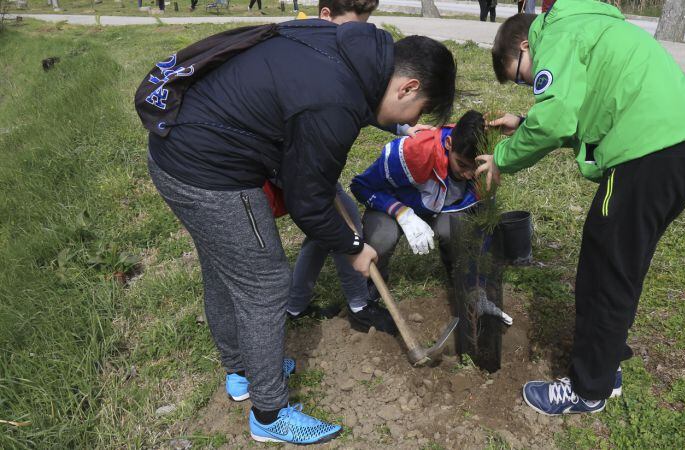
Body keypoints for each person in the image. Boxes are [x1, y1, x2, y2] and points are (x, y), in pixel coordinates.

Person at [144, 19, 456, 443]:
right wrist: (354, 246)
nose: (413, 121)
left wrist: (401, 126)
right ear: (407, 87)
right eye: (418, 112)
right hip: (209, 168)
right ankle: (269, 416)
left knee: (225, 268)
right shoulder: (332, 104)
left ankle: (243, 373)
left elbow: (333, 115)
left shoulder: (354, 47)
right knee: (265, 284)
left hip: (179, 140)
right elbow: (309, 204)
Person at [477, 1, 685, 416]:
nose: (527, 85)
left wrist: (503, 159)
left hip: (645, 151)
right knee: (621, 263)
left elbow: (555, 120)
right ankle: (606, 364)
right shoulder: (586, 25)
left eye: (520, 77)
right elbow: (587, 107)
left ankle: (587, 390)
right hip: (683, 144)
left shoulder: (556, 35)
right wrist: (524, 118)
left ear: (524, 46)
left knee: (603, 270)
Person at [286, 0, 433, 333]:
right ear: (326, 17)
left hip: (304, 159)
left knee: (324, 234)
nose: (362, 33)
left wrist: (404, 127)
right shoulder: (316, 57)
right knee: (347, 226)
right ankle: (359, 306)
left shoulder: (338, 57)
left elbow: (365, 101)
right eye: (356, 23)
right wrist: (353, 246)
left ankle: (295, 305)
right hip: (290, 160)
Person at [351, 110, 514, 329]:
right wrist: (402, 212)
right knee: (382, 237)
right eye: (462, 165)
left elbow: (482, 230)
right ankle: (370, 291)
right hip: (391, 206)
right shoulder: (413, 153)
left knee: (458, 230)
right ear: (448, 144)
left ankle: (457, 275)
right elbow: (360, 186)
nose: (468, 174)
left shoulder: (485, 171)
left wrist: (478, 289)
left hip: (438, 210)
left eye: (474, 168)